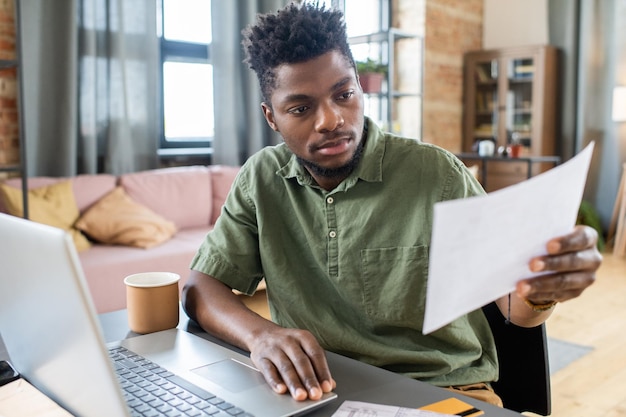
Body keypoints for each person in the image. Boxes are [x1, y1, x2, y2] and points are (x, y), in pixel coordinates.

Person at [182, 2, 602, 407]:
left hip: (441, 392)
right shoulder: (261, 179)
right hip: (318, 390)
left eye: (343, 94)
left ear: (359, 88)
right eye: (301, 108)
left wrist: (543, 290)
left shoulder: (436, 175)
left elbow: (516, 311)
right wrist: (261, 336)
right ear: (271, 117)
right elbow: (200, 288)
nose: (331, 120)